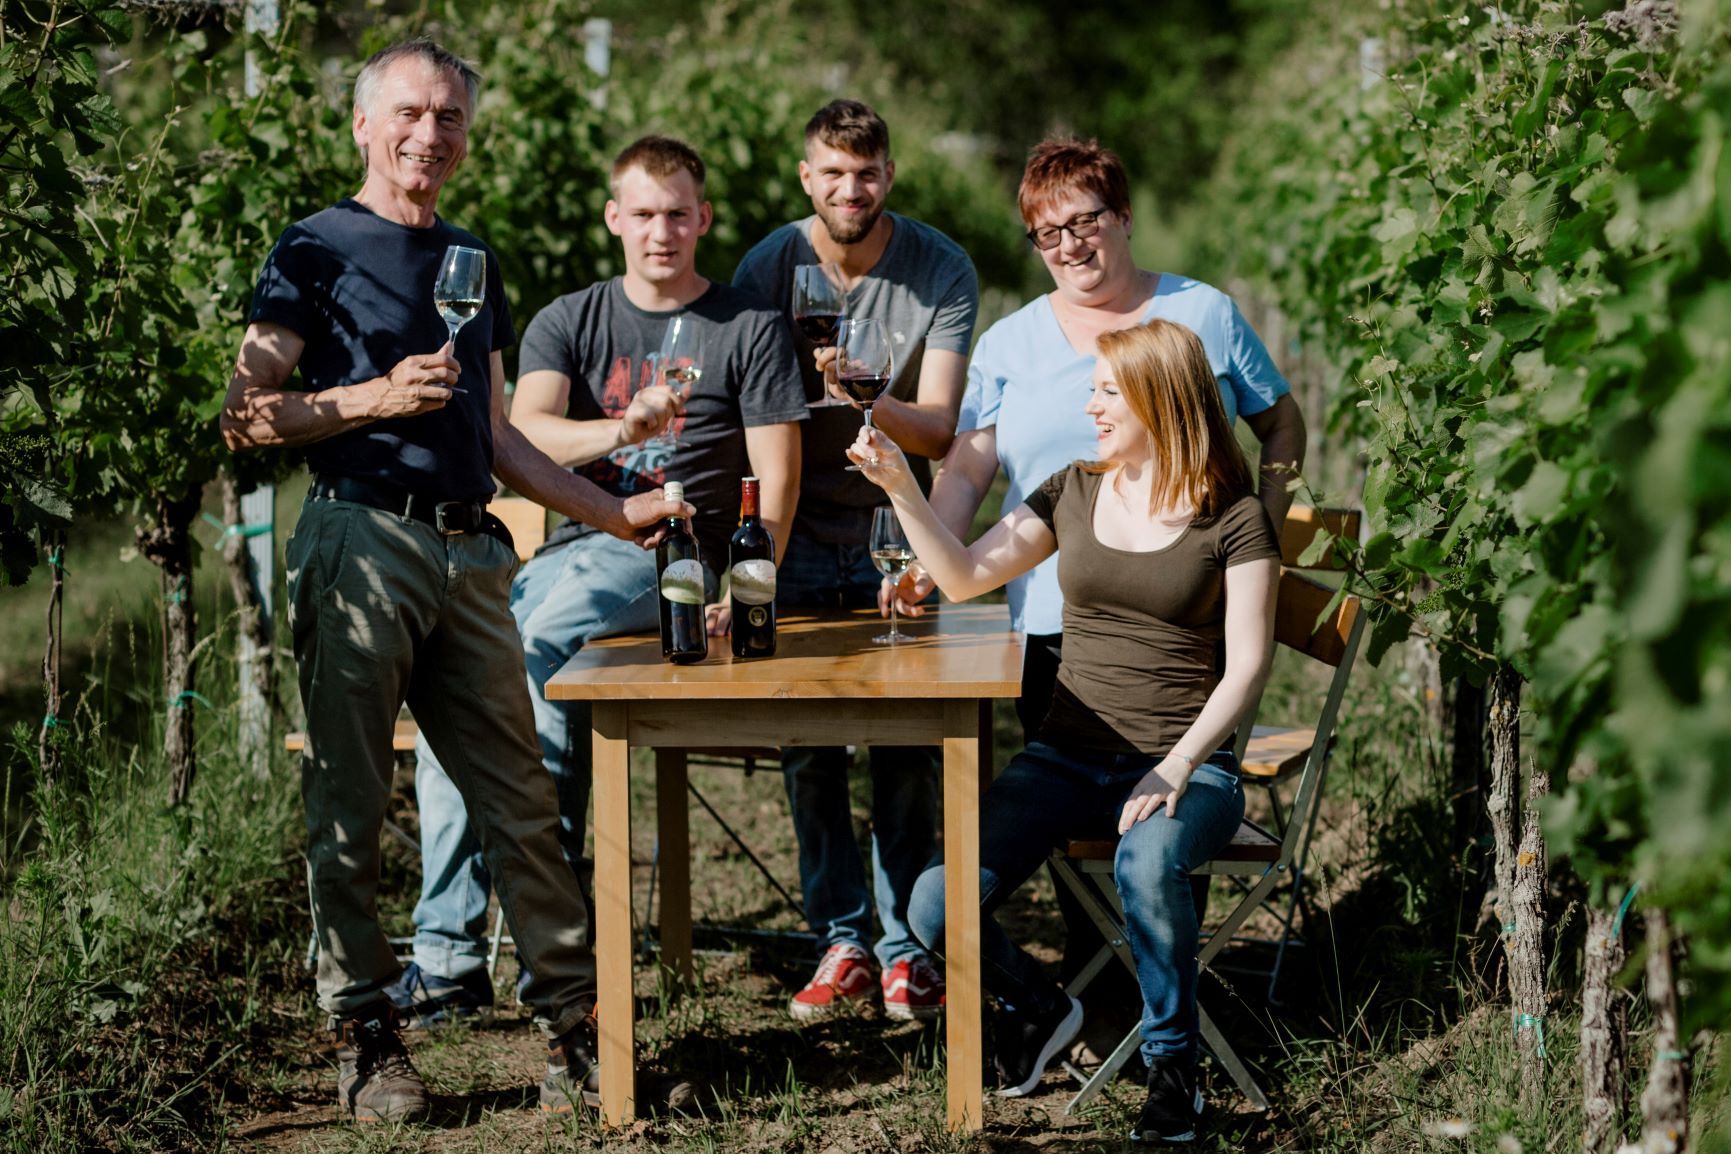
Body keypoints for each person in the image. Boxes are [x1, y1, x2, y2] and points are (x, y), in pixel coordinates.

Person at [219, 40, 692, 1123]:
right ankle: (367, 1032)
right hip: (362, 543)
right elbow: (244, 413)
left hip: (473, 554)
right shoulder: (315, 246)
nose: (430, 133)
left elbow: (498, 437)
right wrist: (369, 401)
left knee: (522, 803)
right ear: (363, 124)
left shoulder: (471, 251)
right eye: (410, 113)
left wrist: (615, 512)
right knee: (349, 799)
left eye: (449, 117)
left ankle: (578, 1032)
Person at [388, 135, 805, 1025]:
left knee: (527, 662)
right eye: (644, 214)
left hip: (668, 553)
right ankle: (468, 949)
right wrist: (622, 428)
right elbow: (519, 439)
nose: (662, 231)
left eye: (678, 214)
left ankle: (515, 945)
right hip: (568, 541)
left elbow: (775, 475)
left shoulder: (748, 325)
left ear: (704, 220)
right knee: (456, 685)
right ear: (615, 219)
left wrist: (748, 585)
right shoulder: (570, 319)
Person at [852, 319, 1281, 1144]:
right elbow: (964, 574)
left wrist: (1179, 766)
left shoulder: (1234, 518)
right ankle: (1045, 1006)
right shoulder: (1073, 489)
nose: (1090, 408)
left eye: (1106, 392)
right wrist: (902, 489)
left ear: (1161, 400)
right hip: (1065, 758)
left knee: (1148, 860)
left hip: (1189, 767)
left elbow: (1247, 667)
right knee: (935, 900)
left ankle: (1172, 1073)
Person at [732, 98, 979, 1022]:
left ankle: (908, 946)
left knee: (909, 743)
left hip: (894, 534)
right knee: (808, 746)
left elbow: (941, 424)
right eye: (831, 174)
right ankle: (843, 941)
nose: (850, 189)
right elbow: (749, 410)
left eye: (866, 173)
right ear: (807, 179)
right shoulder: (767, 267)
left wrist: (855, 394)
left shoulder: (939, 268)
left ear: (888, 177)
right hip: (796, 536)